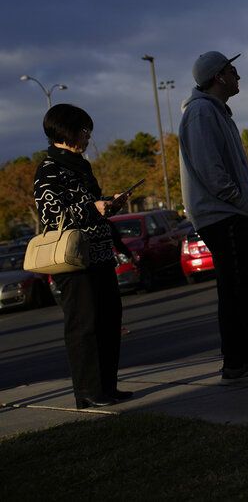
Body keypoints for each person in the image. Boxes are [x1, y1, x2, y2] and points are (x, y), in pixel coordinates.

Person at [179, 51, 248, 384]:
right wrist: (241, 202)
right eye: (232, 70)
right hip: (223, 216)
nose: (238, 75)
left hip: (232, 214)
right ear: (219, 77)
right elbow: (212, 172)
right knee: (239, 288)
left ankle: (244, 359)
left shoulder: (217, 113)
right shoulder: (201, 113)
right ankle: (237, 363)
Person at [33, 104, 133, 408]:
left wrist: (108, 204)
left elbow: (91, 206)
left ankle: (107, 387)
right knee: (84, 325)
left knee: (108, 319)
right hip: (74, 260)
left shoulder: (81, 165)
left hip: (100, 255)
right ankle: (88, 392)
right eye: (83, 130)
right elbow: (51, 215)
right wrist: (93, 208)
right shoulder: (49, 169)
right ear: (66, 131)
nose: (88, 136)